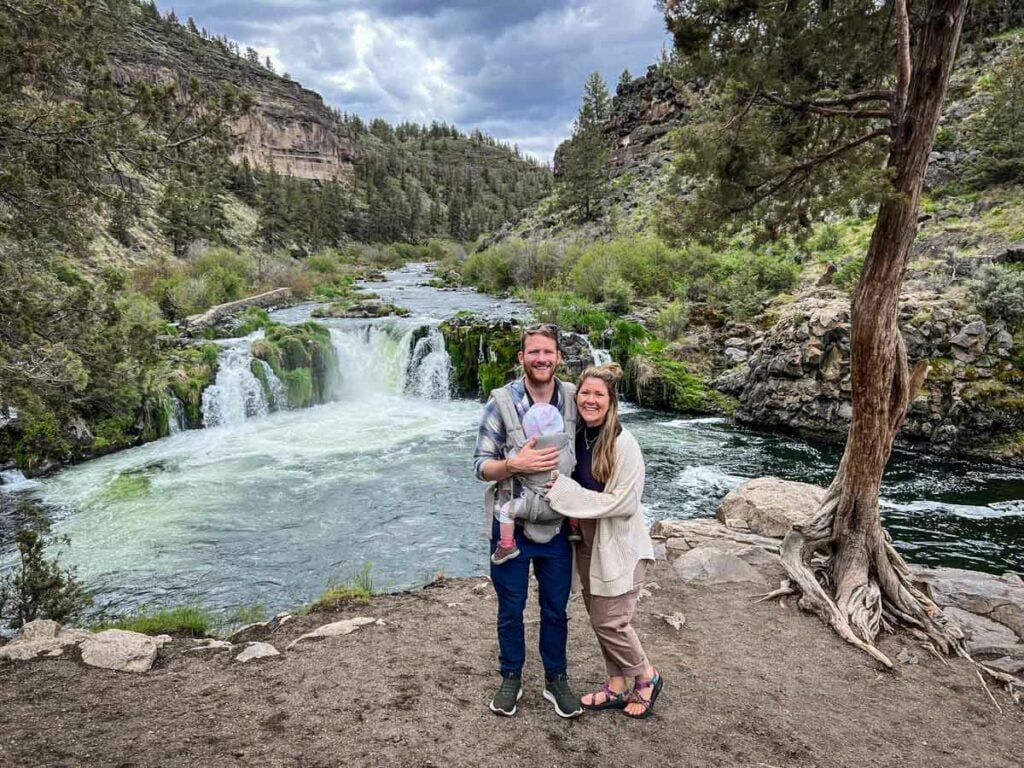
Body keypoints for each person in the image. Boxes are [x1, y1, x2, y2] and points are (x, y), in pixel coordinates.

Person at [474, 323, 583, 719]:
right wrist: (513, 464)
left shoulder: (575, 398)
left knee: (556, 609)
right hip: (511, 529)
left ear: (558, 357)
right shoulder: (500, 402)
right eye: (533, 352)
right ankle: (511, 677)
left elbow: (601, 441)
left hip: (558, 527)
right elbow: (480, 467)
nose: (541, 359)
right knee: (511, 608)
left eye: (548, 353)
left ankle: (556, 680)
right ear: (522, 357)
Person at [544, 362, 663, 719]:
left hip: (619, 543)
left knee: (610, 622)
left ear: (611, 401)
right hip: (584, 540)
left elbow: (622, 503)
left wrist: (563, 490)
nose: (590, 400)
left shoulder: (624, 444)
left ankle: (646, 676)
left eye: (599, 394)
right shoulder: (578, 435)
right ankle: (615, 685)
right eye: (585, 393)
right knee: (597, 615)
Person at [491, 402, 570, 565]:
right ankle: (575, 527)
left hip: (535, 505)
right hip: (562, 505)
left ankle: (507, 546)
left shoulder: (527, 450)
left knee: (506, 511)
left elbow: (512, 460)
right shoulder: (565, 446)